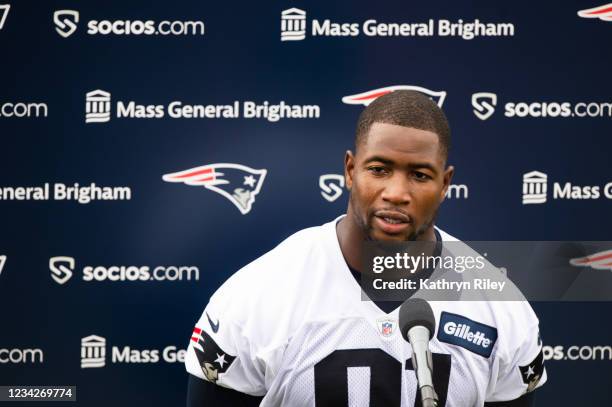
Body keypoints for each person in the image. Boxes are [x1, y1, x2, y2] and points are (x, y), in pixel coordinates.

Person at [185, 90, 546, 406]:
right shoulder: (258, 296)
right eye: (379, 169)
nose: (396, 193)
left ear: (445, 183)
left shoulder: (500, 309)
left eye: (419, 175)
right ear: (350, 169)